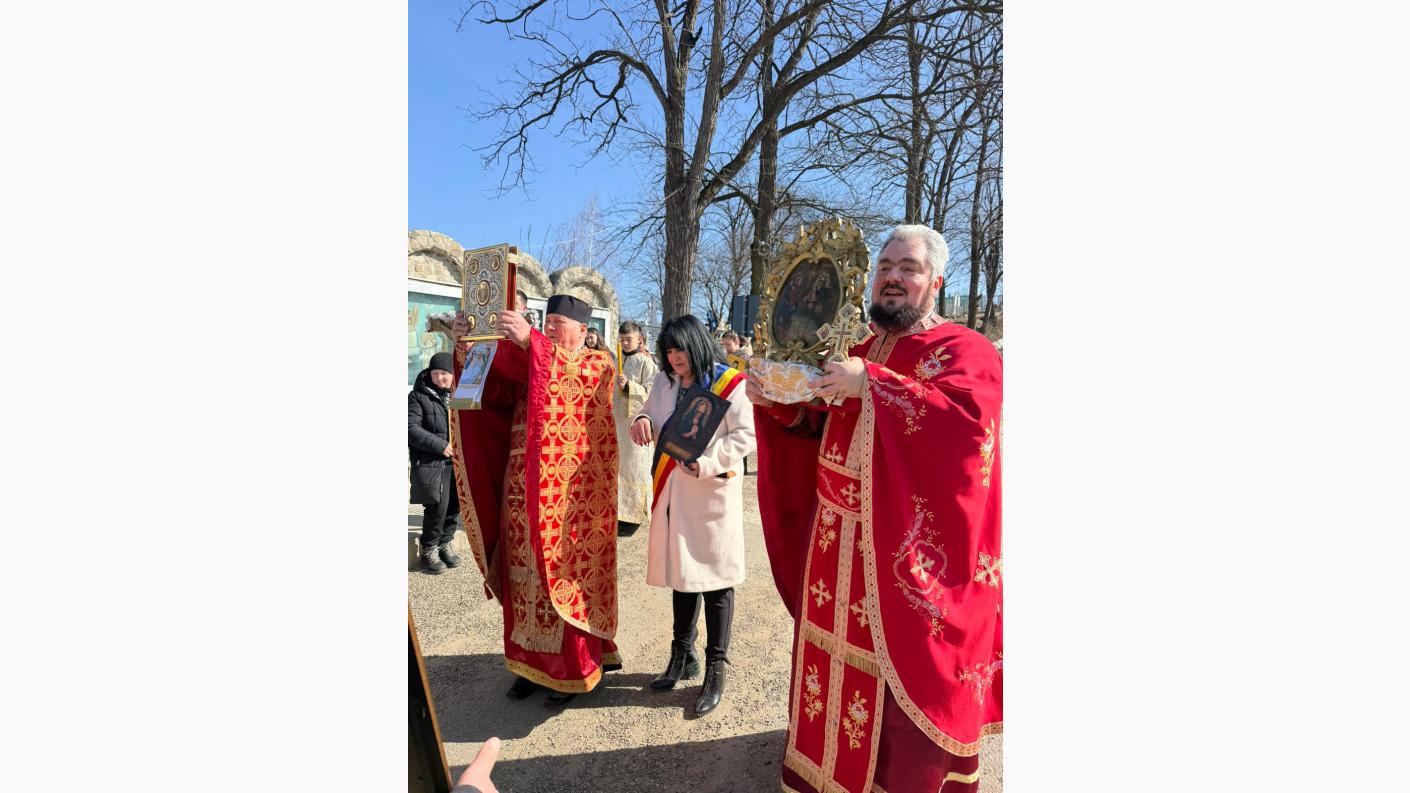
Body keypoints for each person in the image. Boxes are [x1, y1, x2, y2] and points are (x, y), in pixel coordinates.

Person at [748, 224, 1002, 793]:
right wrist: (779, 406)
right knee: (829, 655)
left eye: (908, 268)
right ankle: (824, 773)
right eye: (885, 266)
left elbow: (966, 430)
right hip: (834, 537)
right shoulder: (858, 350)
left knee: (904, 668)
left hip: (902, 547)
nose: (892, 277)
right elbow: (817, 425)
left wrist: (873, 385)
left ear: (936, 282)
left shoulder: (965, 350)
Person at [450, 294, 622, 707]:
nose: (551, 329)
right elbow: (494, 388)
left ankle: (571, 670)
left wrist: (531, 341)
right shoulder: (534, 358)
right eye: (549, 322)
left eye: (560, 323)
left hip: (567, 498)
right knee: (520, 570)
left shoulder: (597, 364)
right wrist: (468, 346)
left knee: (558, 574)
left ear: (584, 330)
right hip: (519, 486)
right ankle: (528, 663)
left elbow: (571, 378)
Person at [629, 315, 755, 717]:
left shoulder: (729, 382)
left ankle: (716, 667)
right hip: (673, 490)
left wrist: (709, 462)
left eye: (679, 349)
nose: (673, 357)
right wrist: (642, 420)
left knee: (716, 582)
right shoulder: (664, 382)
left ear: (696, 344)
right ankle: (681, 655)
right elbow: (649, 412)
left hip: (710, 491)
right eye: (667, 350)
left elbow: (746, 435)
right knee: (682, 576)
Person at [409, 352, 463, 574]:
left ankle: (445, 543)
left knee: (454, 506)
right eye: (436, 373)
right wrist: (440, 445)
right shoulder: (418, 396)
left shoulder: (461, 394)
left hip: (457, 462)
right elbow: (410, 428)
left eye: (445, 373)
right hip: (433, 461)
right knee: (437, 507)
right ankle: (429, 548)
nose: (440, 378)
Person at [613, 320, 659, 530]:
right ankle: (619, 512)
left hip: (635, 421)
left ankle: (634, 515)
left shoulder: (645, 362)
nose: (624, 343)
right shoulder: (617, 359)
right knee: (619, 466)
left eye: (628, 339)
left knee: (635, 466)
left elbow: (652, 390)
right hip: (617, 421)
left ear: (639, 339)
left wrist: (629, 386)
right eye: (622, 339)